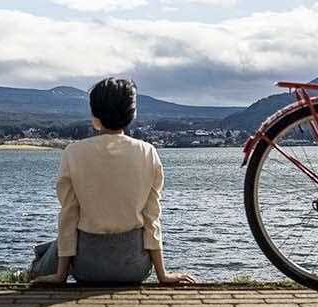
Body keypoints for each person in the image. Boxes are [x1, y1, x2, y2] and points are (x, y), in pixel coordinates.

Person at [26, 77, 197, 286]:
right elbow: (152, 217)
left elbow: (69, 216)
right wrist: (163, 275)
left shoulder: (73, 152)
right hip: (134, 267)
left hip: (87, 267)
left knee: (51, 249)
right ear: (132, 113)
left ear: (94, 113)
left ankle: (32, 272)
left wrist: (60, 275)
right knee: (52, 247)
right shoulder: (148, 152)